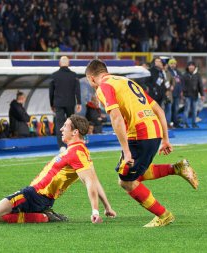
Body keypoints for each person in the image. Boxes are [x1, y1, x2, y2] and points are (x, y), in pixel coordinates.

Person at [85, 60, 199, 227]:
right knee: (131, 174)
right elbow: (159, 110)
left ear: (92, 78)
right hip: (154, 132)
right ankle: (177, 168)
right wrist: (165, 139)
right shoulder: (127, 82)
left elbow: (115, 117)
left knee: (126, 181)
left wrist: (126, 151)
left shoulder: (104, 86)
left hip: (139, 135)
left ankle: (163, 215)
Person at [0, 114, 116, 224]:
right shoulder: (80, 150)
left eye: (65, 126)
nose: (61, 129)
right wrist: (107, 207)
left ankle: (42, 217)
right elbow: (94, 180)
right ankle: (42, 213)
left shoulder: (77, 152)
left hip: (34, 195)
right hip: (41, 197)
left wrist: (95, 211)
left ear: (75, 132)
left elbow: (90, 182)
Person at [50, 56, 82, 152]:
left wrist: (52, 104)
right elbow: (77, 90)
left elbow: (51, 92)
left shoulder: (54, 76)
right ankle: (71, 143)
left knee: (60, 124)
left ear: (59, 63)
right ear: (69, 63)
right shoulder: (74, 75)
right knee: (71, 124)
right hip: (70, 103)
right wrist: (79, 102)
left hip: (58, 103)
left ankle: (61, 146)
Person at [182, 61, 205, 128]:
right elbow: (182, 85)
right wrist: (182, 93)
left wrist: (202, 95)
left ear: (195, 67)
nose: (191, 67)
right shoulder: (184, 75)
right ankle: (184, 123)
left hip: (195, 95)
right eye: (190, 65)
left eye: (192, 65)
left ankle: (194, 123)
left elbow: (200, 85)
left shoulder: (198, 75)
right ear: (187, 67)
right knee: (186, 109)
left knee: (195, 110)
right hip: (187, 95)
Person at [167, 58, 184, 128]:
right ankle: (169, 123)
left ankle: (175, 122)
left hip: (177, 93)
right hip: (170, 93)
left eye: (174, 63)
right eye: (171, 63)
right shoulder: (167, 72)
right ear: (168, 64)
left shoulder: (178, 72)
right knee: (170, 109)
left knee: (176, 109)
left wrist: (181, 91)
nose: (173, 65)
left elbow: (181, 83)